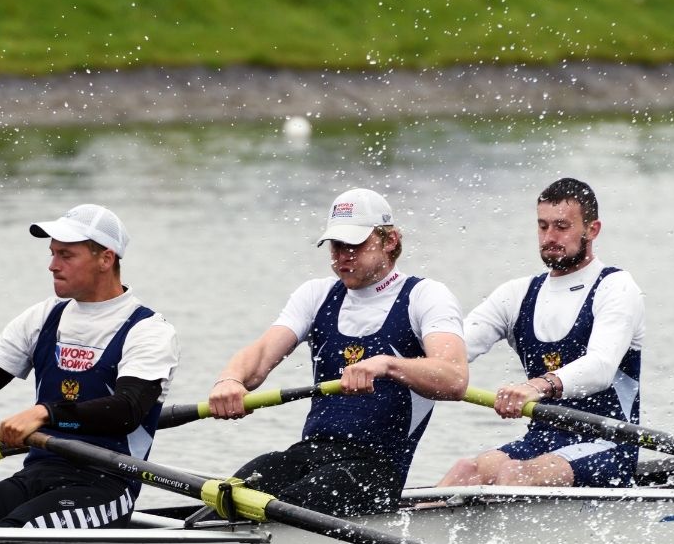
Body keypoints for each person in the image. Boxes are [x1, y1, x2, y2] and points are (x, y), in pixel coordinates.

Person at [207, 188, 469, 516]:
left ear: (390, 241)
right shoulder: (315, 294)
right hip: (310, 454)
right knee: (229, 497)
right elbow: (259, 356)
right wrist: (229, 381)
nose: (342, 255)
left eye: (354, 245)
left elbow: (455, 377)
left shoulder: (426, 296)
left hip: (375, 469)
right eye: (336, 245)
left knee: (288, 508)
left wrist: (388, 365)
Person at [0, 203, 179, 529]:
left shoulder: (148, 330)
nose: (52, 265)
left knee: (13, 534)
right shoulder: (43, 317)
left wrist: (45, 413)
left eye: (66, 255)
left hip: (104, 484)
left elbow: (126, 411)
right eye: (52, 254)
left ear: (105, 259)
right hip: (38, 472)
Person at [438, 177, 645, 488]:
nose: (550, 236)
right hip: (541, 441)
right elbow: (453, 352)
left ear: (592, 229)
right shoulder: (517, 294)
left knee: (514, 474)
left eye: (562, 226)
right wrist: (394, 366)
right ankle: (403, 533)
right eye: (543, 226)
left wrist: (539, 385)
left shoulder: (616, 287)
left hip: (608, 443)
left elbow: (600, 368)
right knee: (467, 470)